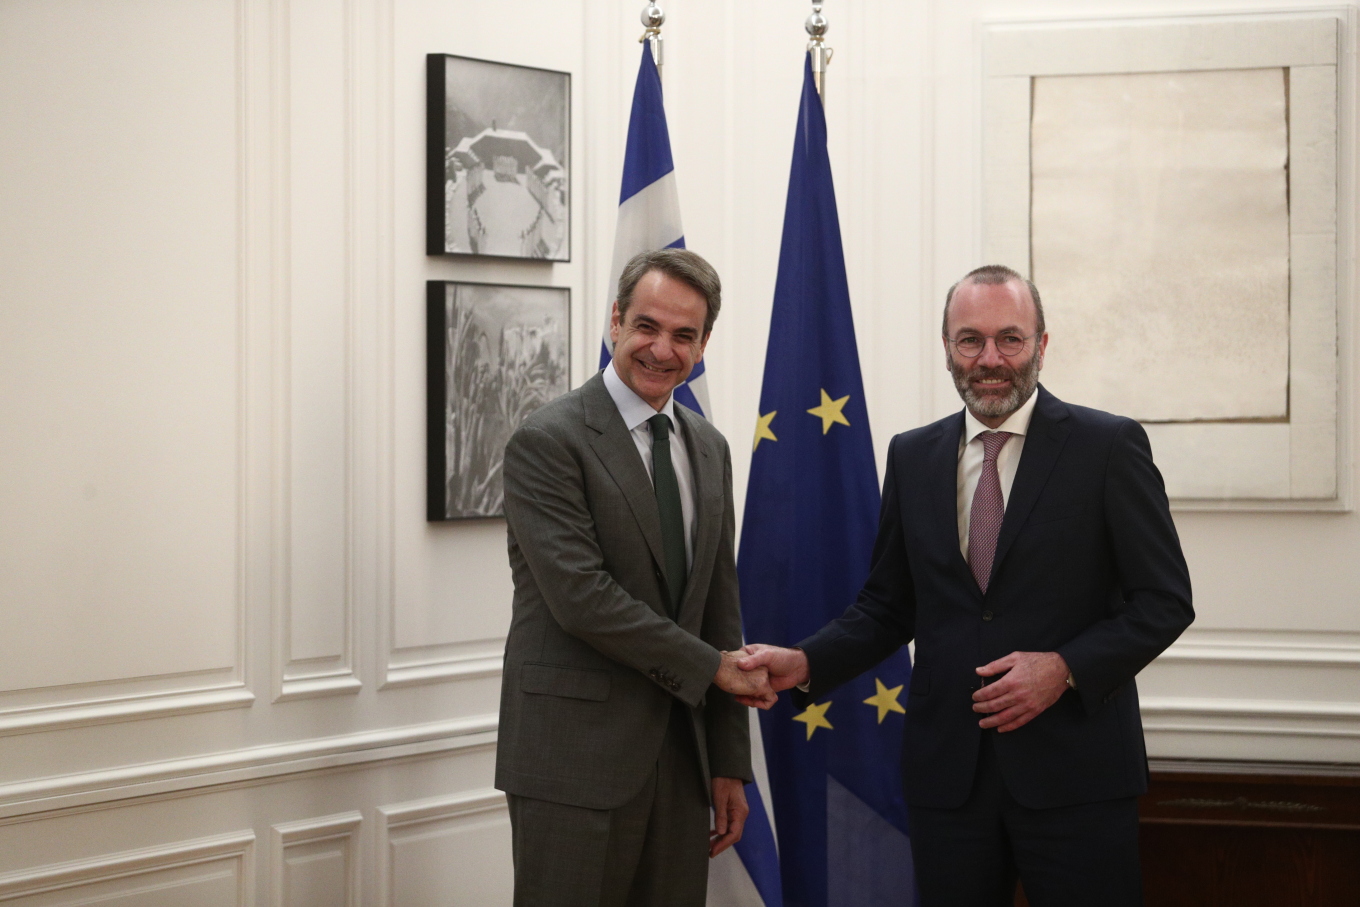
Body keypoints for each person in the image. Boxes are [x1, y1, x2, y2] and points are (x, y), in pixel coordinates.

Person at [738, 264, 1193, 906]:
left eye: (1010, 339)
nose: (990, 359)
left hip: (1077, 776)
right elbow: (888, 606)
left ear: (1041, 344)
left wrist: (1064, 668)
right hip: (949, 781)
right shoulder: (912, 455)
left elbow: (1165, 601)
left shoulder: (1108, 446)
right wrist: (807, 661)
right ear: (948, 347)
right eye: (970, 340)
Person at [496, 248, 775, 907]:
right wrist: (712, 669)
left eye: (683, 334)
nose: (661, 349)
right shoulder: (548, 440)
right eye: (647, 326)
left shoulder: (709, 447)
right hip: (572, 763)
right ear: (616, 320)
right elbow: (582, 599)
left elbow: (719, 607)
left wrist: (729, 762)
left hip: (681, 764)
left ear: (703, 344)